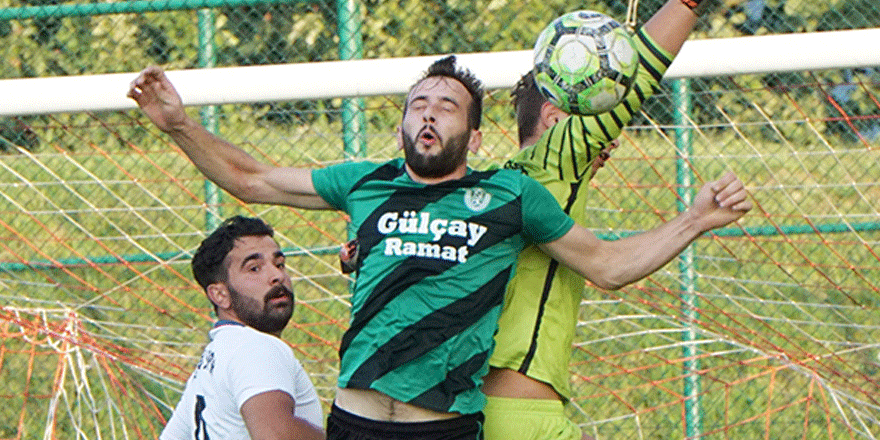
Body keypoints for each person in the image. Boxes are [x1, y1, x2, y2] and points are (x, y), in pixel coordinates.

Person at [129, 51, 750, 439]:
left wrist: (694, 219)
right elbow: (251, 179)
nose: (429, 115)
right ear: (403, 122)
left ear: (475, 136)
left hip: (447, 428)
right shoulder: (364, 183)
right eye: (417, 104)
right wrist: (180, 125)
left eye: (447, 107)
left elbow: (609, 266)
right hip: (357, 421)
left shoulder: (511, 196)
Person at [482, 1, 711, 439]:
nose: (608, 140)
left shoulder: (494, 185)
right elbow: (640, 72)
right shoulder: (551, 163)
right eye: (595, 118)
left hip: (475, 408)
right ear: (554, 118)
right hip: (521, 415)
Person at [159, 215, 325, 440]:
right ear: (220, 295)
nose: (277, 276)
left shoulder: (215, 358)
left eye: (279, 264)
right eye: (254, 268)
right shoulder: (256, 347)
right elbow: (275, 436)